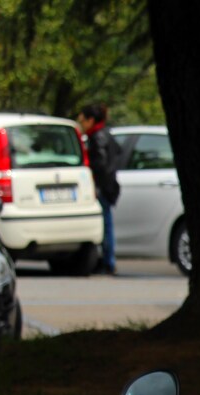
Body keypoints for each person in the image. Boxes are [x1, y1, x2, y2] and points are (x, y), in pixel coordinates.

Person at [76, 102, 122, 274]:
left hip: (103, 187)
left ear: (91, 120)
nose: (81, 125)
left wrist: (96, 182)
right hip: (109, 185)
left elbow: (100, 163)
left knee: (104, 224)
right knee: (106, 223)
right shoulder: (106, 134)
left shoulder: (97, 137)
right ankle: (108, 260)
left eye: (82, 121)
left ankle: (108, 261)